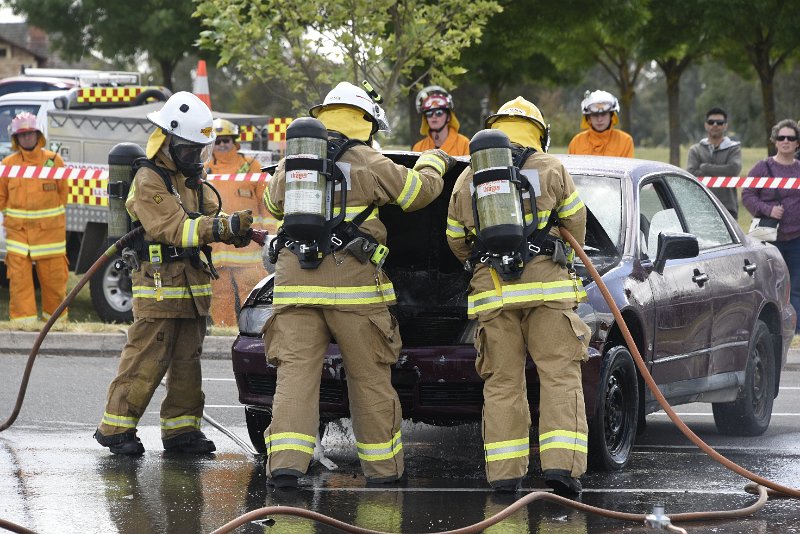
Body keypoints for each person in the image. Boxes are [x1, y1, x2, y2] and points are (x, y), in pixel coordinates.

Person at [262, 81, 452, 488]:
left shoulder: (293, 162)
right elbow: (418, 194)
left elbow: (273, 204)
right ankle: (384, 472)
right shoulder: (368, 160)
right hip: (354, 290)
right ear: (365, 121)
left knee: (295, 377)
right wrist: (434, 161)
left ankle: (285, 469)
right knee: (369, 379)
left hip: (294, 287)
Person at [94, 91, 253, 455]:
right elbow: (175, 228)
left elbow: (212, 211)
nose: (196, 158)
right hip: (159, 285)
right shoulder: (149, 179)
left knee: (187, 362)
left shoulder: (190, 176)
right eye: (188, 151)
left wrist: (235, 228)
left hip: (191, 284)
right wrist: (221, 228)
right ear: (169, 141)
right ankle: (115, 428)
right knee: (146, 357)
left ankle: (181, 432)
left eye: (200, 151)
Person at [447, 96, 591, 495]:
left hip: (493, 296)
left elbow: (455, 238)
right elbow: (575, 223)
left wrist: (480, 263)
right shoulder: (551, 167)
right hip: (549, 293)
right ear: (538, 132)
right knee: (559, 378)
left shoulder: (468, 176)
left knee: (502, 384)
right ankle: (562, 470)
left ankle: (505, 475)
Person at [0, 112, 67, 323]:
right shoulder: (8, 164)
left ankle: (55, 328)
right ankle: (23, 328)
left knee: (55, 284)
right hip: (18, 237)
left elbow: (62, 195)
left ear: (38, 135)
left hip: (50, 238)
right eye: (22, 135)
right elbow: (1, 197)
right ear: (16, 138)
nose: (26, 138)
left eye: (30, 133)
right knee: (19, 284)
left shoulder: (54, 162)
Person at [206, 118, 268, 326]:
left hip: (248, 249)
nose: (223, 144)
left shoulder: (251, 166)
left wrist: (268, 236)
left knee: (252, 292)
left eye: (227, 140)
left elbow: (266, 205)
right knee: (220, 294)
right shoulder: (205, 170)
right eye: (218, 140)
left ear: (235, 142)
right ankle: (226, 331)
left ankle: (254, 330)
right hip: (216, 248)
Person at [742, 119, 800, 329]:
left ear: (797, 144)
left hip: (796, 240)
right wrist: (768, 210)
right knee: (768, 286)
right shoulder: (762, 167)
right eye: (781, 137)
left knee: (795, 287)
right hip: (768, 239)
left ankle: (794, 331)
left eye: (791, 138)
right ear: (775, 141)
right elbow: (747, 194)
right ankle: (770, 327)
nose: (786, 141)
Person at [687, 107, 742, 219]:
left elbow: (733, 170)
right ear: (706, 125)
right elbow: (692, 174)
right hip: (700, 207)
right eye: (711, 122)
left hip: (727, 208)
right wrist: (722, 171)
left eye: (720, 122)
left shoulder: (734, 149)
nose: (715, 125)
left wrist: (704, 167)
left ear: (725, 125)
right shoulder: (695, 150)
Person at [568, 90, 634, 157]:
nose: (599, 119)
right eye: (595, 114)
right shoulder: (576, 142)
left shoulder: (625, 141)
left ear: (611, 115)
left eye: (604, 114)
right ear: (588, 118)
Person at [411, 85, 469, 156]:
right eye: (429, 113)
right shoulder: (418, 148)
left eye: (439, 113)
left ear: (448, 117)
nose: (434, 116)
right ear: (426, 119)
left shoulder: (464, 144)